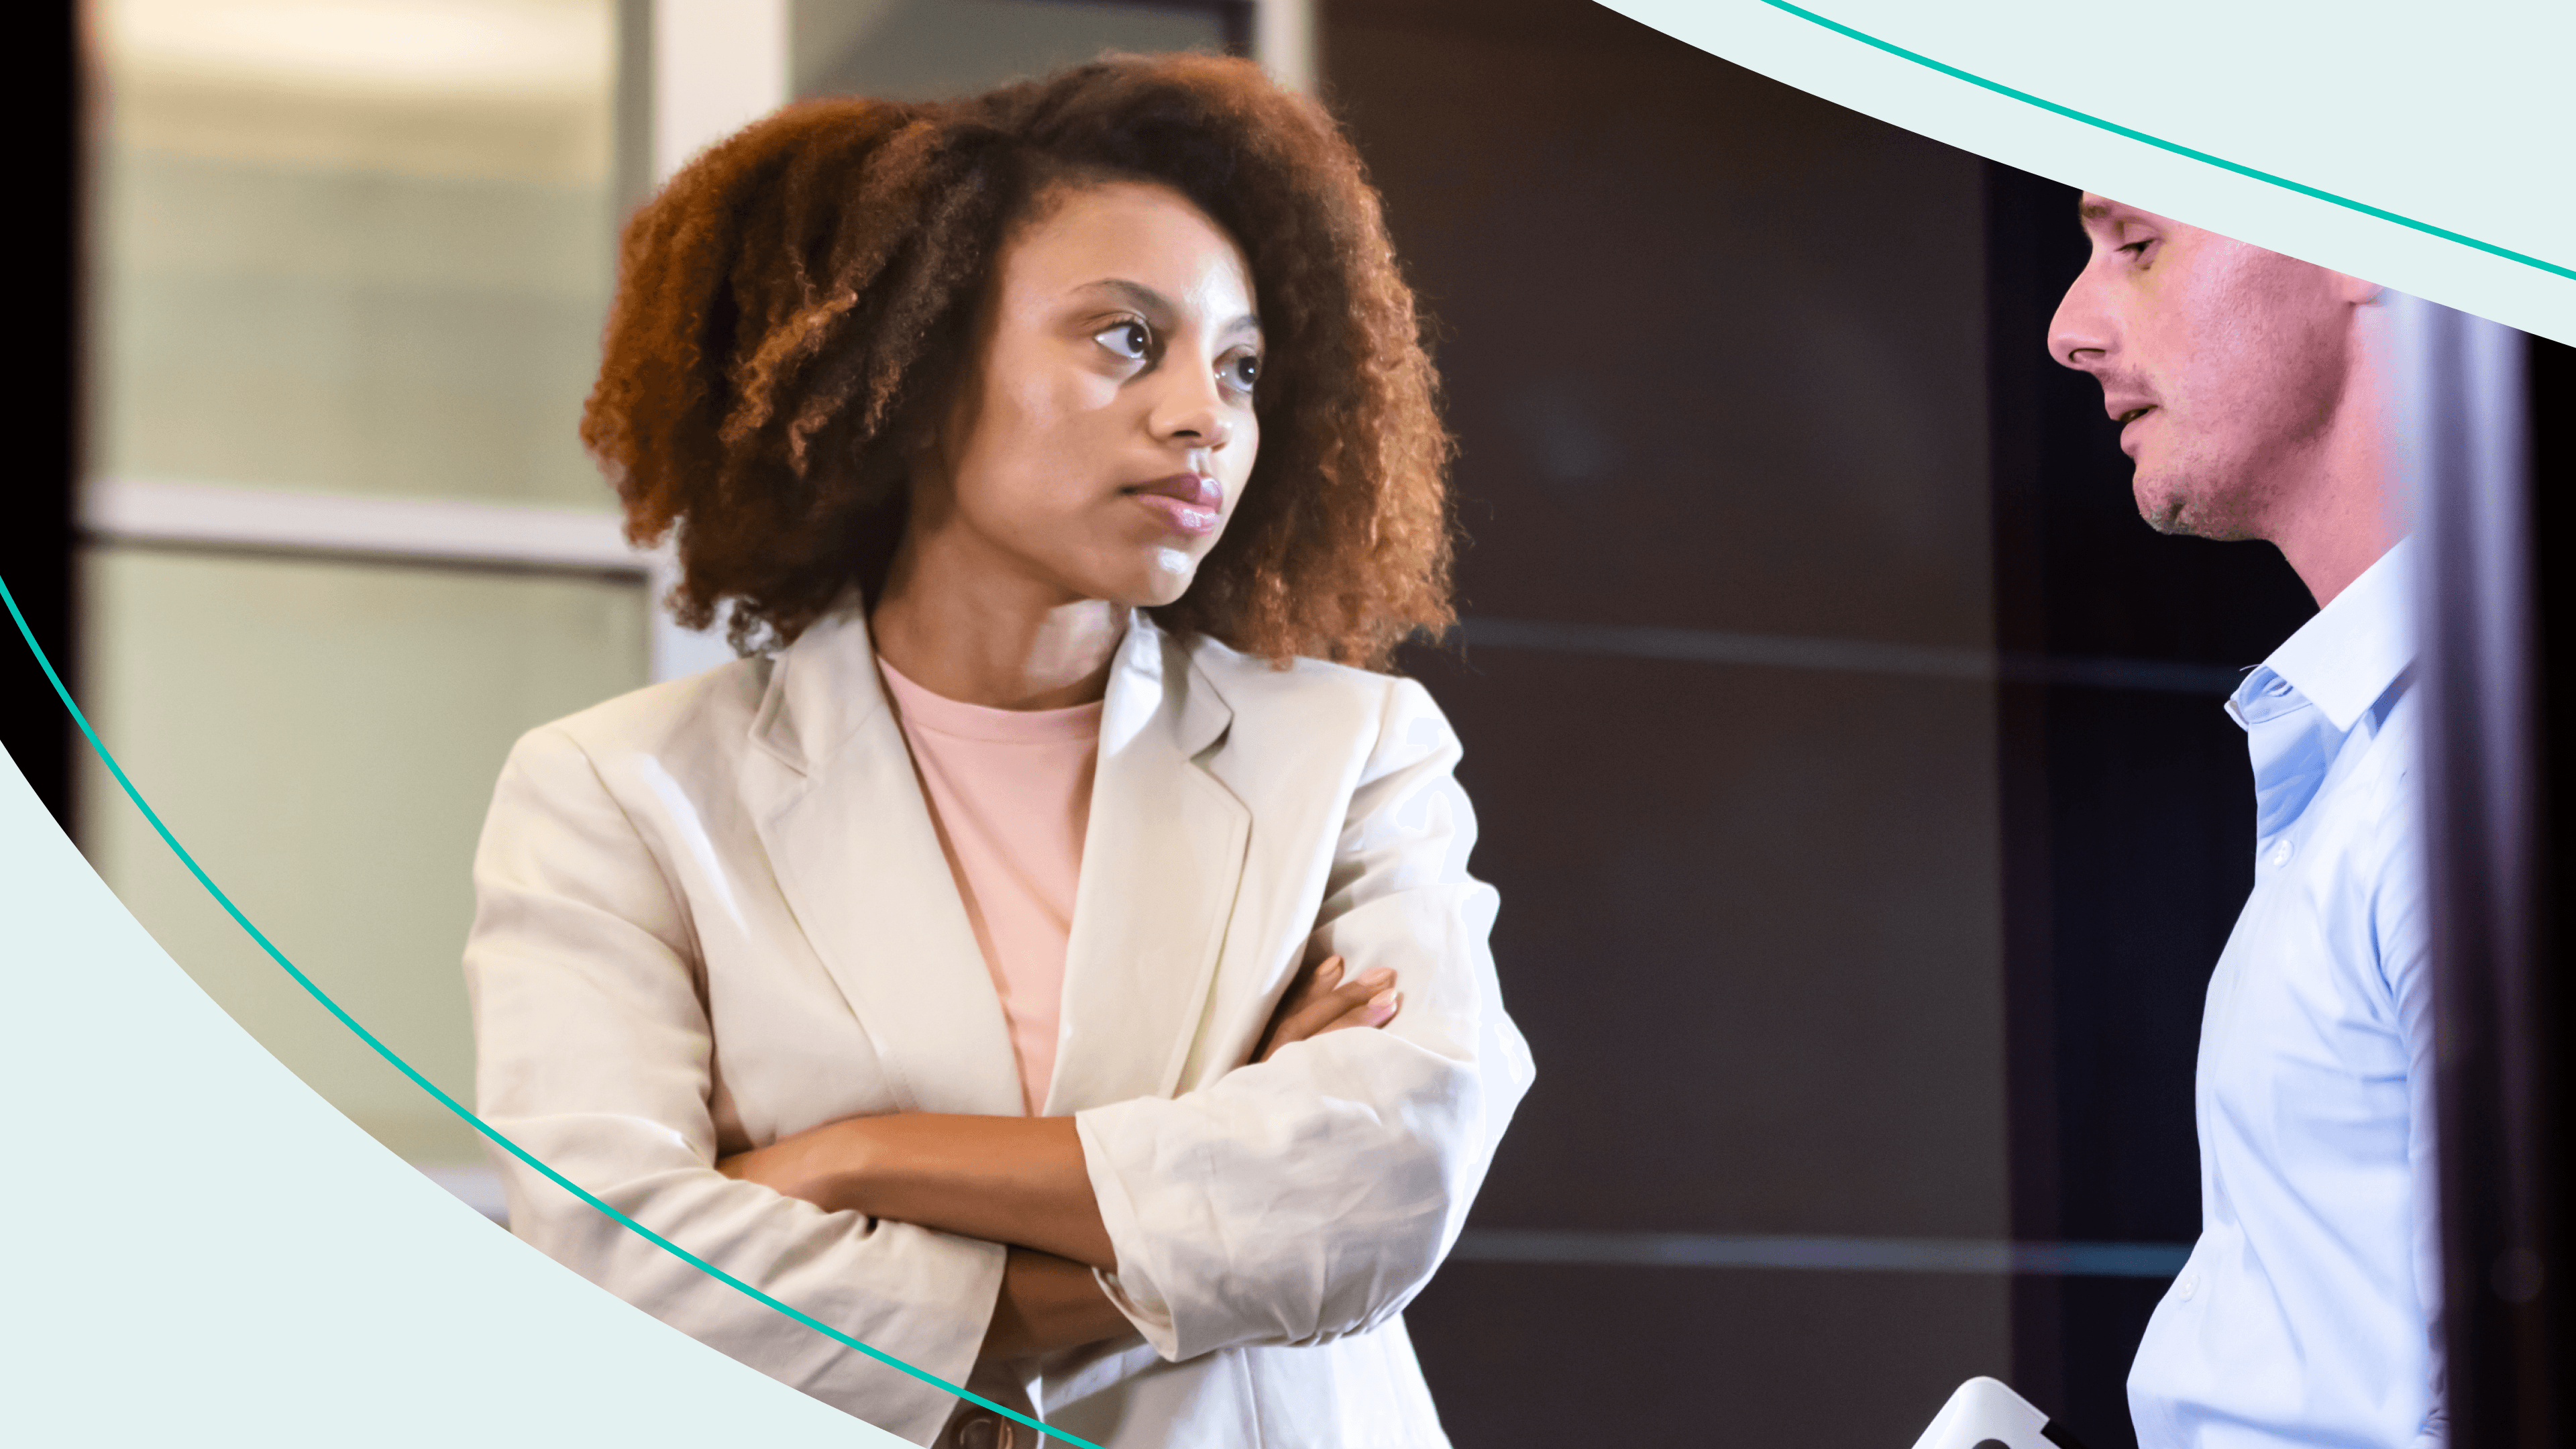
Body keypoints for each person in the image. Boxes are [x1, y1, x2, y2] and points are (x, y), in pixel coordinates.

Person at [464, 54, 1532, 1449]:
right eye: (1127, 339)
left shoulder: (1354, 751)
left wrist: (863, 1161)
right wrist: (1202, 1210)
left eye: (1244, 365)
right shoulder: (620, 791)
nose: (1205, 415)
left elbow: (1392, 1175)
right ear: (906, 365)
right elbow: (617, 1275)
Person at [2049, 198, 2440, 1447]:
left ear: (2368, 239)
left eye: (2139, 245)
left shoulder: (2468, 788)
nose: (2068, 329)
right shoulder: (2387, 763)